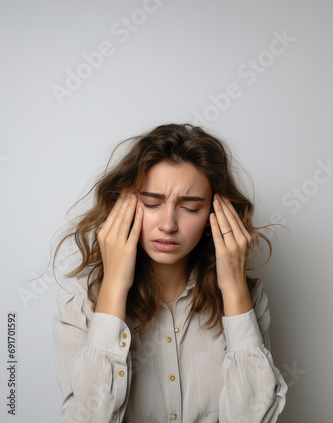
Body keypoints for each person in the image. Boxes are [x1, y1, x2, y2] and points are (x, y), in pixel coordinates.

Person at [52, 123, 288, 422]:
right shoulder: (80, 298)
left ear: (214, 215)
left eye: (190, 208)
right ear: (122, 204)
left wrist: (234, 289)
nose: (168, 224)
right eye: (151, 203)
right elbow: (86, 418)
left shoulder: (248, 297)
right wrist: (113, 287)